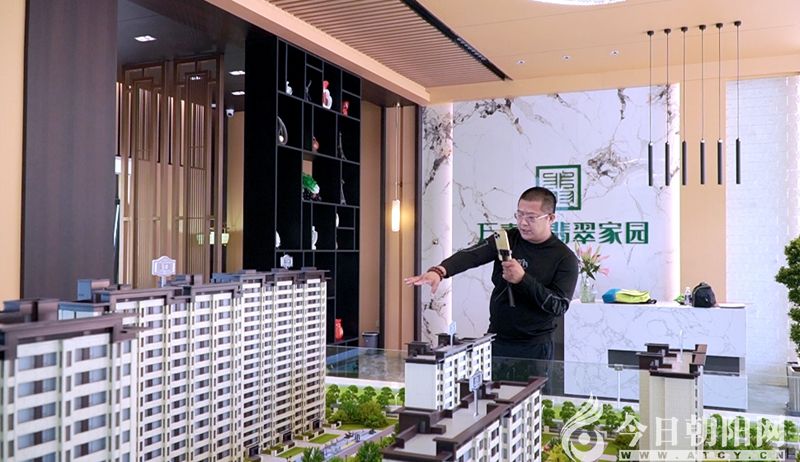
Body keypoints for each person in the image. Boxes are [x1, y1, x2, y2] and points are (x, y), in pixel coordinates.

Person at [404, 186, 578, 365]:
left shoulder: (565, 258)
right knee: (489, 384)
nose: (523, 223)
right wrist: (440, 271)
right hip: (497, 339)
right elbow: (472, 255)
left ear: (550, 218)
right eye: (519, 215)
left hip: (535, 346)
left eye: (531, 217)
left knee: (531, 385)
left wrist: (523, 280)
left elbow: (559, 306)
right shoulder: (506, 239)